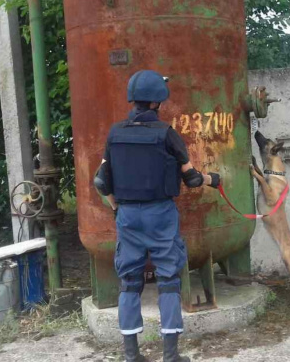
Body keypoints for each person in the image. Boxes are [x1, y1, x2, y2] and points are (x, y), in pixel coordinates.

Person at [94, 70, 220, 362]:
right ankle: (171, 356)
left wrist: (116, 209)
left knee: (130, 281)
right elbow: (190, 179)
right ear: (157, 102)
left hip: (127, 215)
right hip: (160, 214)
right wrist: (212, 179)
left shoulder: (115, 133)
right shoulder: (167, 134)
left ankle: (131, 355)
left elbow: (101, 181)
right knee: (168, 280)